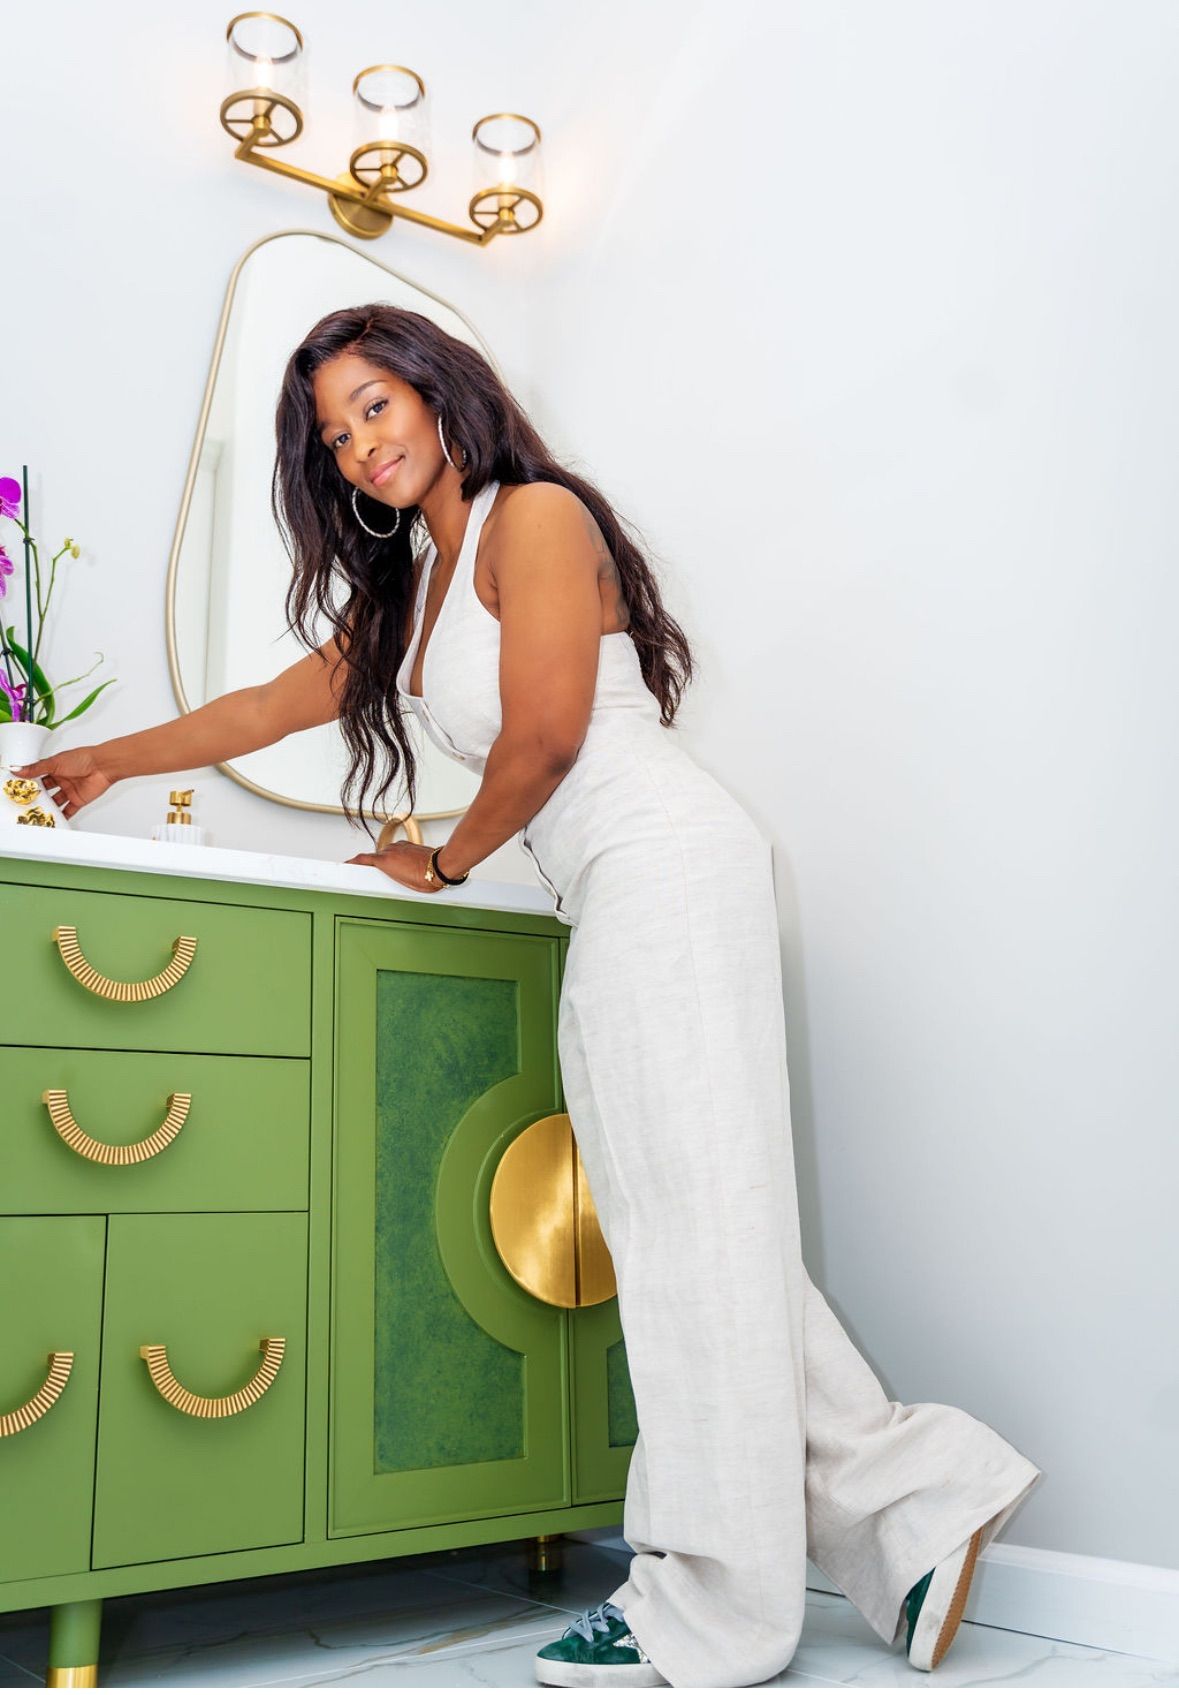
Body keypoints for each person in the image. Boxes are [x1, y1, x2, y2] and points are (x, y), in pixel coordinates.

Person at [13, 304, 1041, 1690]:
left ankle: (719, 1608)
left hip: (661, 864)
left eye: (374, 405)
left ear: (442, 394)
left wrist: (442, 857)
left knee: (686, 1239)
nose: (357, 443)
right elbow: (264, 707)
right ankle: (914, 1503)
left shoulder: (535, 517)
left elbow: (551, 730)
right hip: (617, 886)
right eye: (331, 432)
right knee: (701, 1218)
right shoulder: (418, 589)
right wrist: (103, 760)